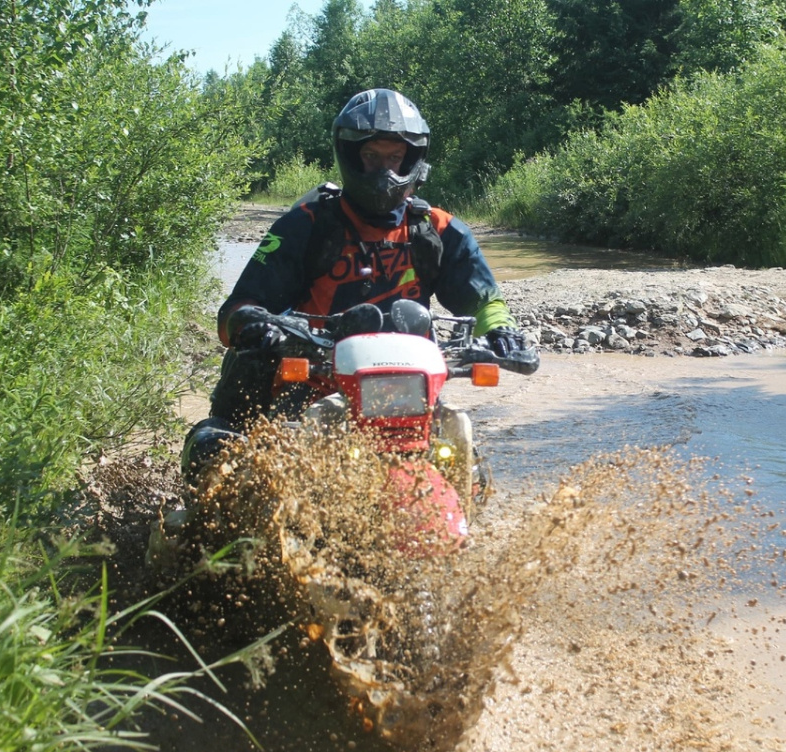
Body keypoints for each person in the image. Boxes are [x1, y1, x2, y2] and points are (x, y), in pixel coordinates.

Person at [181, 88, 537, 482]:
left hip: (405, 392)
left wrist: (503, 332)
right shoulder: (307, 224)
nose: (383, 170)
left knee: (470, 473)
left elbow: (483, 300)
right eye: (371, 156)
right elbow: (238, 308)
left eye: (394, 157)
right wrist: (257, 324)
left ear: (412, 159)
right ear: (351, 156)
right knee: (240, 469)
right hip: (313, 383)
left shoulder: (436, 230)